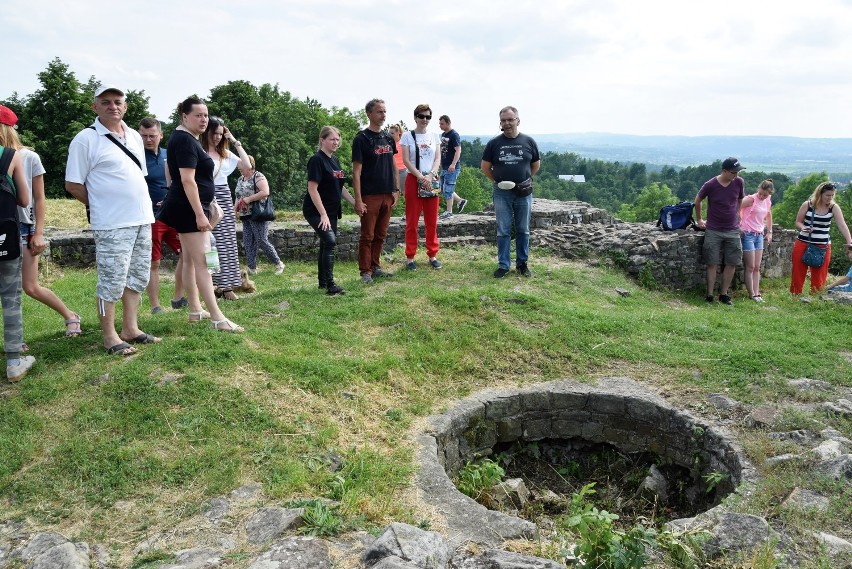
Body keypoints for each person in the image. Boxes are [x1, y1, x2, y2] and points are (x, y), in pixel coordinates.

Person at [65, 86, 160, 356]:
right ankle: (109, 336)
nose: (113, 106)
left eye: (118, 102)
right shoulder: (86, 139)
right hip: (112, 223)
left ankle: (131, 328)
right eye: (105, 102)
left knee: (137, 277)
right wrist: (101, 206)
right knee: (111, 280)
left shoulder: (133, 136)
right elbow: (72, 184)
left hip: (142, 219)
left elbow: (137, 175)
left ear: (126, 107)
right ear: (95, 107)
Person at [156, 96, 243, 332]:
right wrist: (200, 214)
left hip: (187, 207)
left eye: (205, 115)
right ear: (184, 116)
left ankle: (195, 310)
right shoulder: (184, 140)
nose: (203, 119)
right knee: (203, 262)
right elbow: (186, 180)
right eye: (198, 115)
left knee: (191, 260)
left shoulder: (186, 138)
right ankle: (217, 317)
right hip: (188, 209)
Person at [0, 106, 81, 350]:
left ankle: (70, 316)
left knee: (29, 286)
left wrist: (39, 232)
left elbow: (39, 197)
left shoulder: (28, 157)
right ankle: (16, 341)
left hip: (22, 228)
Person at [481, 105, 541, 278]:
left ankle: (522, 264)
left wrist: (525, 178)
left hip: (524, 191)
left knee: (523, 229)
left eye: (510, 120)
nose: (507, 123)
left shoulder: (528, 142)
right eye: (503, 121)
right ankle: (504, 265)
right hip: (502, 192)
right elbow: (485, 167)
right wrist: (497, 182)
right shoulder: (494, 143)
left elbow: (535, 164)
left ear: (518, 121)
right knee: (503, 229)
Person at [0, 105, 35, 382]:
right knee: (10, 298)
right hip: (6, 238)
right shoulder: (11, 156)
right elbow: (24, 200)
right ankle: (14, 361)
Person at [139, 117, 186, 314]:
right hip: (152, 216)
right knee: (154, 262)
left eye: (152, 136)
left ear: (161, 135)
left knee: (187, 253)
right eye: (144, 136)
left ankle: (178, 297)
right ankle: (155, 305)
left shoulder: (169, 155)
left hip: (173, 213)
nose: (148, 140)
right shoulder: (136, 156)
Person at [202, 117, 252, 300]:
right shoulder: (199, 151)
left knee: (227, 244)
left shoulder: (225, 153)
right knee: (210, 244)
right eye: (214, 133)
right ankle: (213, 285)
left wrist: (234, 141)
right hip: (206, 197)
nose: (216, 137)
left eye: (220, 134)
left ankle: (227, 286)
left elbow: (247, 167)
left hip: (223, 195)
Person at [303, 126, 357, 295]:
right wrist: (323, 214)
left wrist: (355, 203)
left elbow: (341, 188)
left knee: (326, 243)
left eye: (337, 139)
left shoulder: (335, 160)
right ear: (322, 140)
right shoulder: (316, 160)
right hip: (316, 210)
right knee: (330, 241)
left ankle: (322, 282)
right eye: (332, 139)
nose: (336, 142)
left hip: (332, 211)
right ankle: (331, 285)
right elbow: (312, 189)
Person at [352, 99, 398, 284]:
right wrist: (358, 198)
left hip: (387, 193)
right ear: (369, 114)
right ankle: (365, 271)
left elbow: (393, 164)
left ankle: (376, 266)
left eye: (385, 111)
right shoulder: (361, 139)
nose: (383, 115)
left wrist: (396, 189)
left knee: (381, 234)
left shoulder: (388, 138)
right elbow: (356, 171)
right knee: (367, 235)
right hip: (370, 194)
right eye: (379, 111)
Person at [694, 157, 746, 305]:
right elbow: (698, 200)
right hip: (713, 229)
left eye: (737, 172)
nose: (736, 175)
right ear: (724, 171)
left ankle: (724, 294)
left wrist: (738, 213)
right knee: (711, 263)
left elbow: (740, 198)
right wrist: (699, 219)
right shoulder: (711, 184)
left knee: (732, 262)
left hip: (732, 229)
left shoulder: (739, 182)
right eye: (733, 172)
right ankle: (709, 295)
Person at [789, 181, 852, 295]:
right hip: (803, 242)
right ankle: (795, 295)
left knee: (820, 273)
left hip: (823, 245)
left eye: (832, 195)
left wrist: (849, 242)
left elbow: (842, 225)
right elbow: (798, 222)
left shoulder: (834, 207)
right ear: (820, 194)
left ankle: (815, 297)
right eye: (828, 195)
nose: (830, 198)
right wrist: (804, 228)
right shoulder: (807, 205)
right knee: (798, 271)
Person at [400, 104, 442, 271]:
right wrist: (420, 176)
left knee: (432, 220)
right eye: (422, 116)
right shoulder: (407, 136)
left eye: (428, 117)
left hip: (431, 179)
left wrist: (431, 175)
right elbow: (405, 160)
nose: (425, 119)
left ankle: (432, 254)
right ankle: (410, 256)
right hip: (413, 179)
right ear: (415, 117)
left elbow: (437, 158)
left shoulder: (434, 136)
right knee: (412, 221)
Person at [234, 155, 285, 276]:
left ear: (249, 165)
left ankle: (279, 263)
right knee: (247, 241)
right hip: (245, 214)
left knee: (261, 240)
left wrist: (248, 199)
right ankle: (252, 268)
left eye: (241, 165)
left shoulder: (258, 176)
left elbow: (265, 192)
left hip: (258, 213)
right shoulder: (241, 179)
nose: (239, 168)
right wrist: (234, 210)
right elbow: (238, 196)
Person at [739, 178, 774, 302]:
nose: (762, 196)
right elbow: (735, 208)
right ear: (758, 189)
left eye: (765, 195)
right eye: (761, 193)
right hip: (747, 233)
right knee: (750, 266)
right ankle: (751, 294)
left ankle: (757, 293)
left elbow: (768, 215)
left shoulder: (767, 200)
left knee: (757, 267)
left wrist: (769, 231)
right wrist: (738, 225)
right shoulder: (750, 199)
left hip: (759, 234)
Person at [438, 115, 467, 219]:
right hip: (445, 166)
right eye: (440, 123)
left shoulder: (454, 135)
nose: (440, 126)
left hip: (452, 166)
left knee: (448, 189)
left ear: (448, 123)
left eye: (442, 123)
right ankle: (460, 200)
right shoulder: (443, 135)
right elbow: (442, 150)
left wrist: (453, 164)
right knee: (442, 188)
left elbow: (458, 150)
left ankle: (449, 212)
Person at [389, 124, 407, 222]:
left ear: (398, 133)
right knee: (391, 194)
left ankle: (407, 214)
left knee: (405, 194)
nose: (390, 135)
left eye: (392, 133)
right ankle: (387, 214)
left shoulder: (402, 144)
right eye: (389, 133)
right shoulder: (388, 144)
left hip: (402, 171)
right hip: (391, 172)